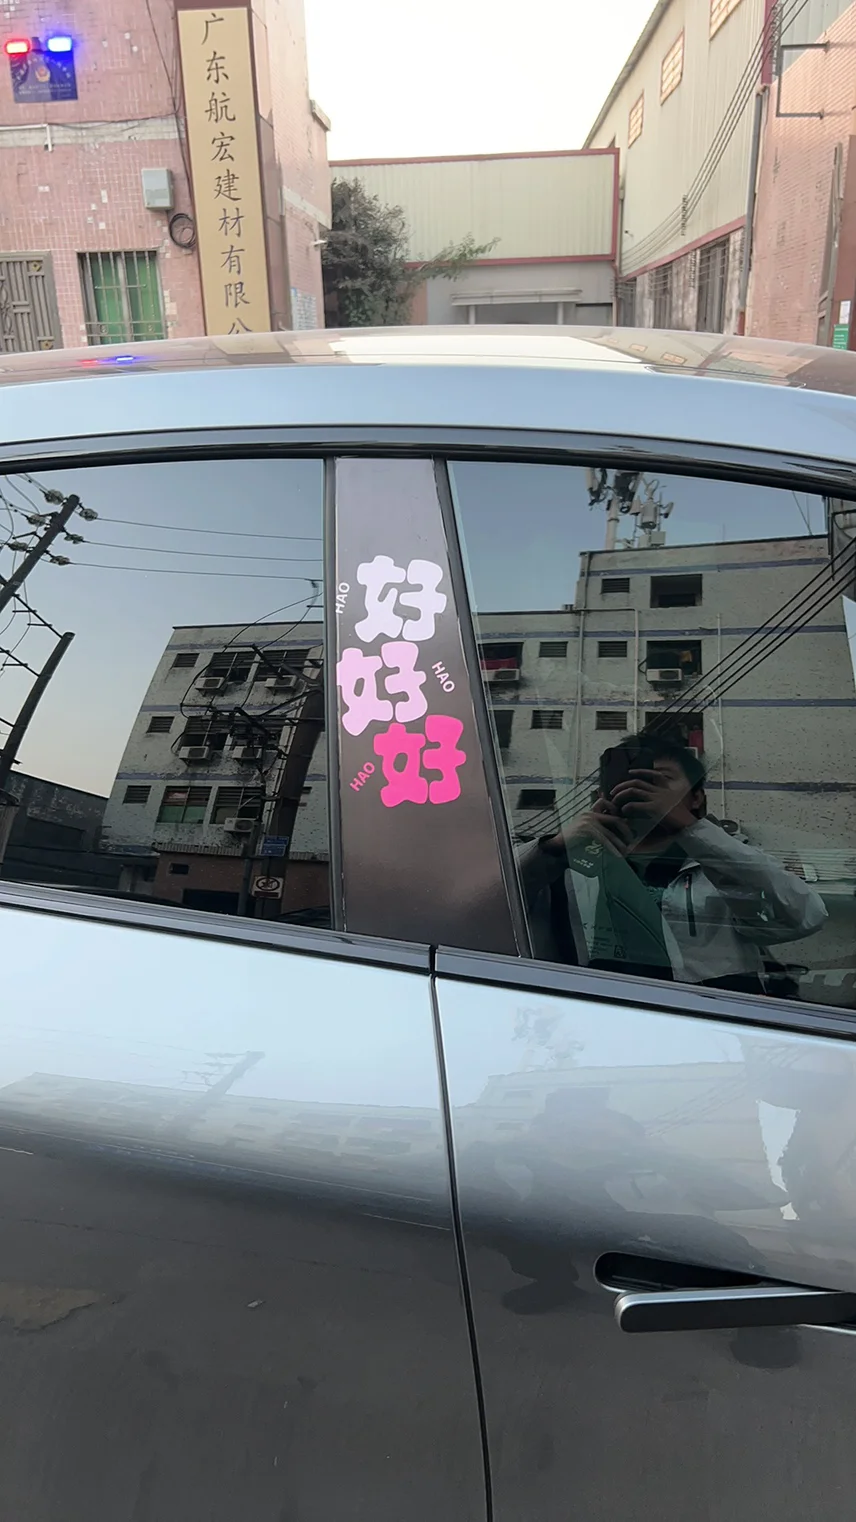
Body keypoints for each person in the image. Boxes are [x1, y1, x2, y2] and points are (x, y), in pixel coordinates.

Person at [518, 733, 827, 994]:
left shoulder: (727, 861)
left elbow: (804, 916)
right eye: (628, 779)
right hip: (596, 1018)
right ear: (601, 794)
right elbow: (496, 903)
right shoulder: (564, 865)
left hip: (708, 1020)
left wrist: (691, 829)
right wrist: (552, 847)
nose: (640, 789)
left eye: (660, 780)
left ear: (696, 798)